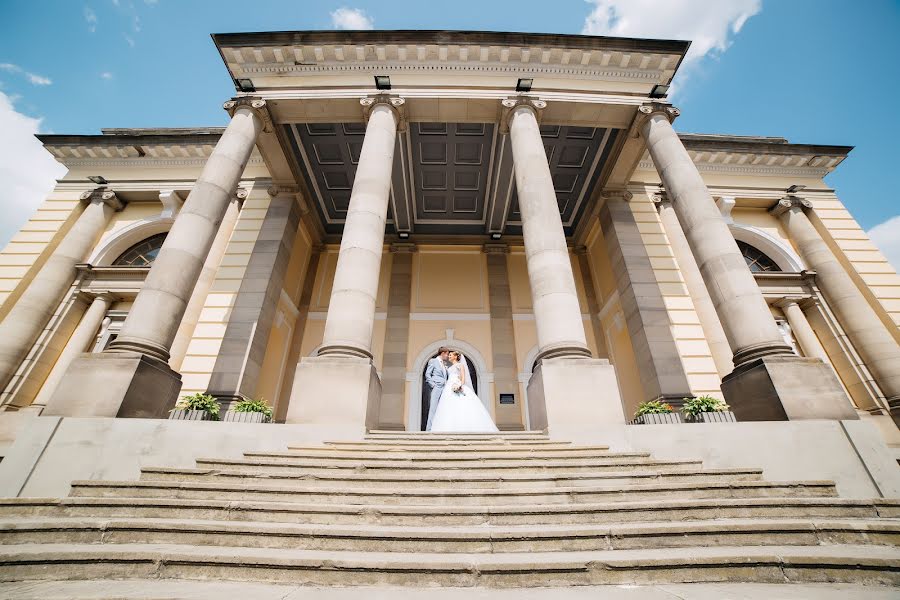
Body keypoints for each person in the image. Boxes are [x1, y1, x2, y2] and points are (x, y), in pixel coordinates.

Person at [430, 350, 498, 433]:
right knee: (448, 407)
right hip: (448, 388)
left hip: (458, 386)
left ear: (455, 356)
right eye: (449, 355)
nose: (449, 356)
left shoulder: (460, 365)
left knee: (462, 406)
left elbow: (463, 378)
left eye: (450, 355)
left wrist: (459, 385)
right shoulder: (449, 368)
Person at [424, 347, 449, 431]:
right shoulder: (433, 361)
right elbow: (427, 374)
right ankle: (429, 429)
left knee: (442, 408)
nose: (448, 356)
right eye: (447, 354)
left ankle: (439, 428)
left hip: (444, 388)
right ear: (442, 353)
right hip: (437, 387)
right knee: (433, 408)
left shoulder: (444, 364)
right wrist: (433, 385)